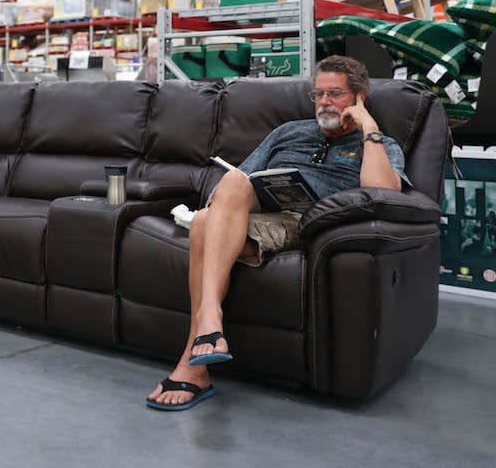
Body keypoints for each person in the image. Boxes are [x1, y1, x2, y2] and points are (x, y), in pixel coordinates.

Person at [146, 55, 408, 411]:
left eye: (335, 94)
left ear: (360, 96)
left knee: (206, 226)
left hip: (301, 222)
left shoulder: (379, 143)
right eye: (318, 95)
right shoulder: (288, 131)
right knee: (222, 199)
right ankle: (207, 332)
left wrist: (368, 126)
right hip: (253, 212)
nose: (324, 103)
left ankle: (198, 353)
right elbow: (232, 185)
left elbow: (383, 194)